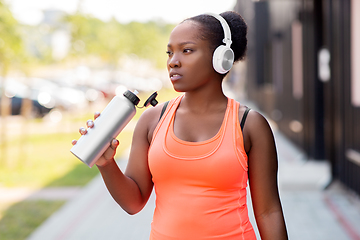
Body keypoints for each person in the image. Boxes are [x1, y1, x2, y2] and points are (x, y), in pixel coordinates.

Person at [72, 11, 288, 240]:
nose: (173, 61)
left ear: (221, 58)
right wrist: (106, 163)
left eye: (186, 50)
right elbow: (133, 203)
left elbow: (268, 212)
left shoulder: (249, 125)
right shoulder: (152, 120)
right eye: (169, 52)